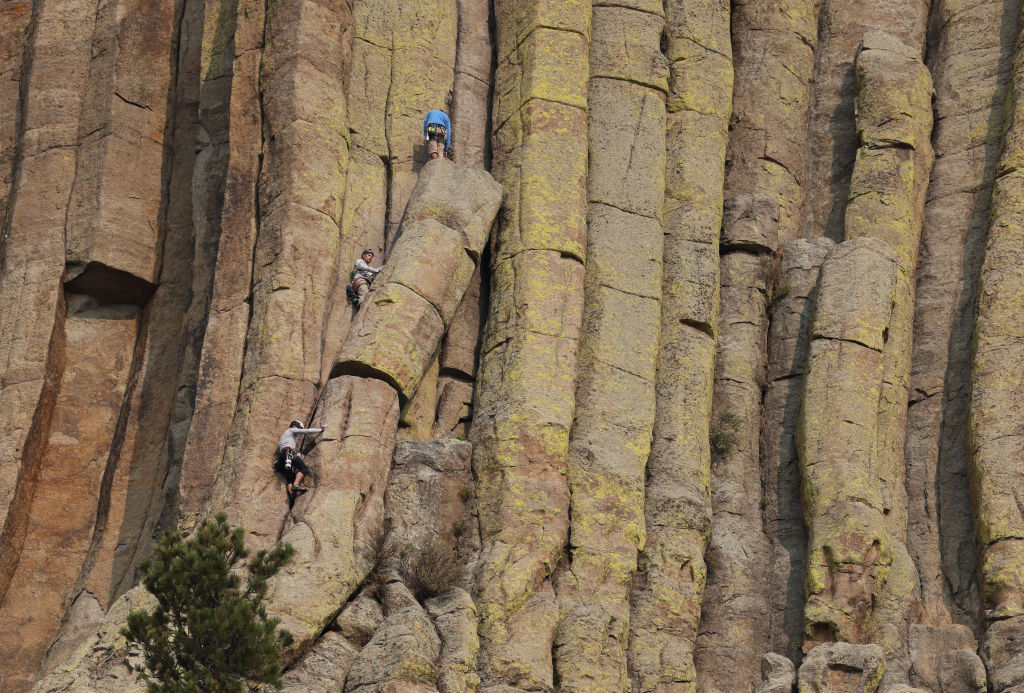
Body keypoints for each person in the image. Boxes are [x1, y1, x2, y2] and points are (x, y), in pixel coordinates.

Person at [276, 420, 322, 498]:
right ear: (294, 426)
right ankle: (295, 485)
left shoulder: (288, 437)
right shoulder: (291, 430)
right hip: (288, 451)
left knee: (290, 477)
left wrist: (298, 454)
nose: (298, 432)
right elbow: (306, 431)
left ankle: (292, 494)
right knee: (304, 468)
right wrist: (321, 429)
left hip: (281, 458)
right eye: (299, 429)